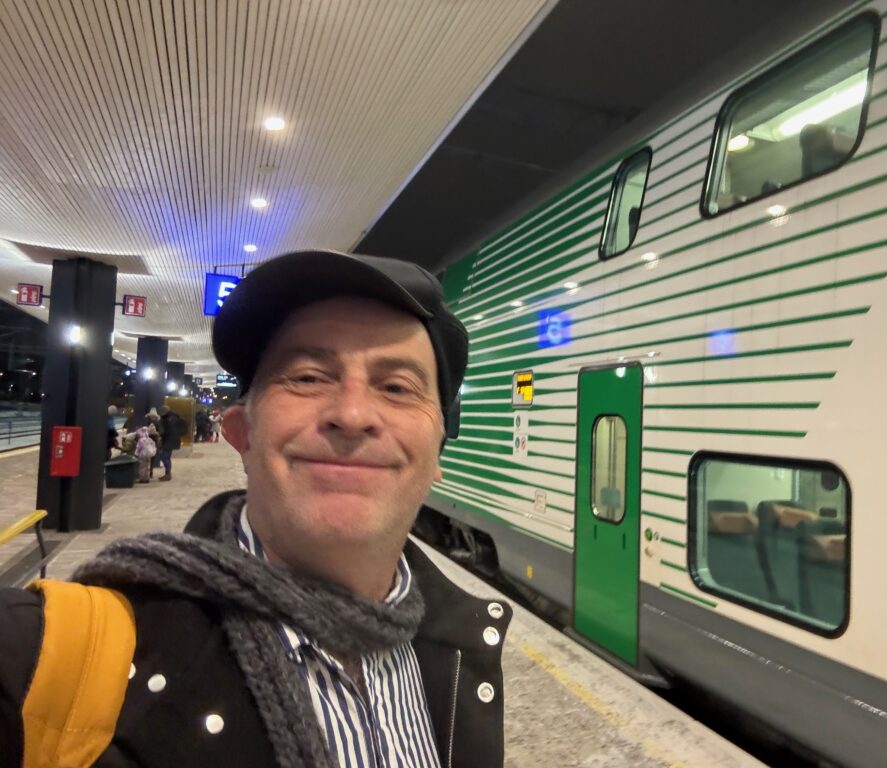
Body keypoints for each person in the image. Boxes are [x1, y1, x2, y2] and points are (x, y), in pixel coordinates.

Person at [0, 250, 509, 767]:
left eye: (397, 387)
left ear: (437, 453)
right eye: (309, 377)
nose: (353, 415)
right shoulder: (41, 654)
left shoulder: (467, 648)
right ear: (240, 432)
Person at [157, 404, 184, 481]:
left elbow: (166, 431)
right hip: (174, 440)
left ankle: (168, 474)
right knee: (167, 457)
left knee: (164, 456)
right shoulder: (174, 417)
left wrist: (161, 435)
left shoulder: (168, 419)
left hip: (169, 440)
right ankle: (168, 473)